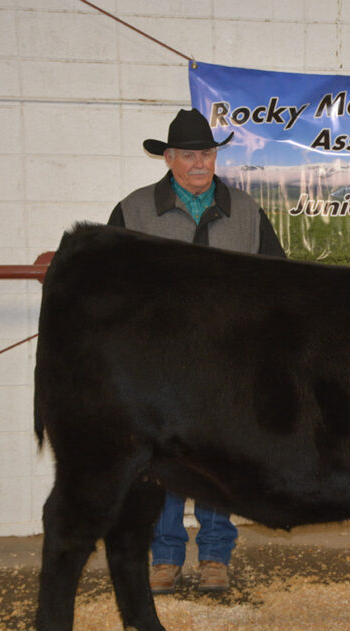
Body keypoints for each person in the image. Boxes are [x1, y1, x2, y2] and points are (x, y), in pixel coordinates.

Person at [108, 108, 287, 594]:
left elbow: (277, 282)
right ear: (168, 158)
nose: (198, 163)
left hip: (228, 364)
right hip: (157, 367)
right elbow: (112, 289)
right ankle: (164, 556)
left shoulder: (246, 212)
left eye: (206, 153)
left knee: (218, 462)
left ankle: (214, 556)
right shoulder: (133, 211)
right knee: (163, 461)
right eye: (188, 154)